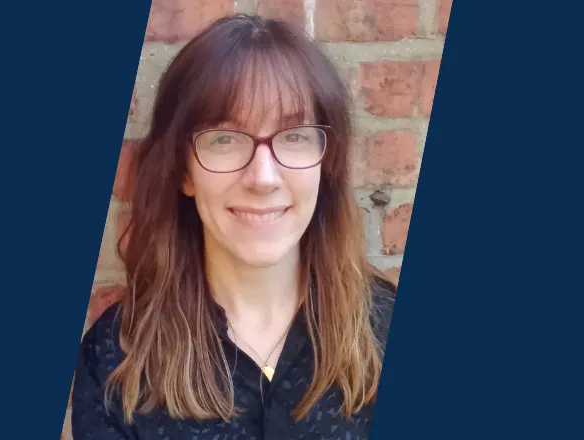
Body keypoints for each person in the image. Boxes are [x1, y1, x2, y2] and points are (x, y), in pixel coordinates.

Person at [71, 13, 397, 440]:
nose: (263, 177)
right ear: (183, 172)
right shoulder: (116, 359)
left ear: (326, 162)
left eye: (294, 135)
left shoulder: (385, 328)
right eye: (223, 138)